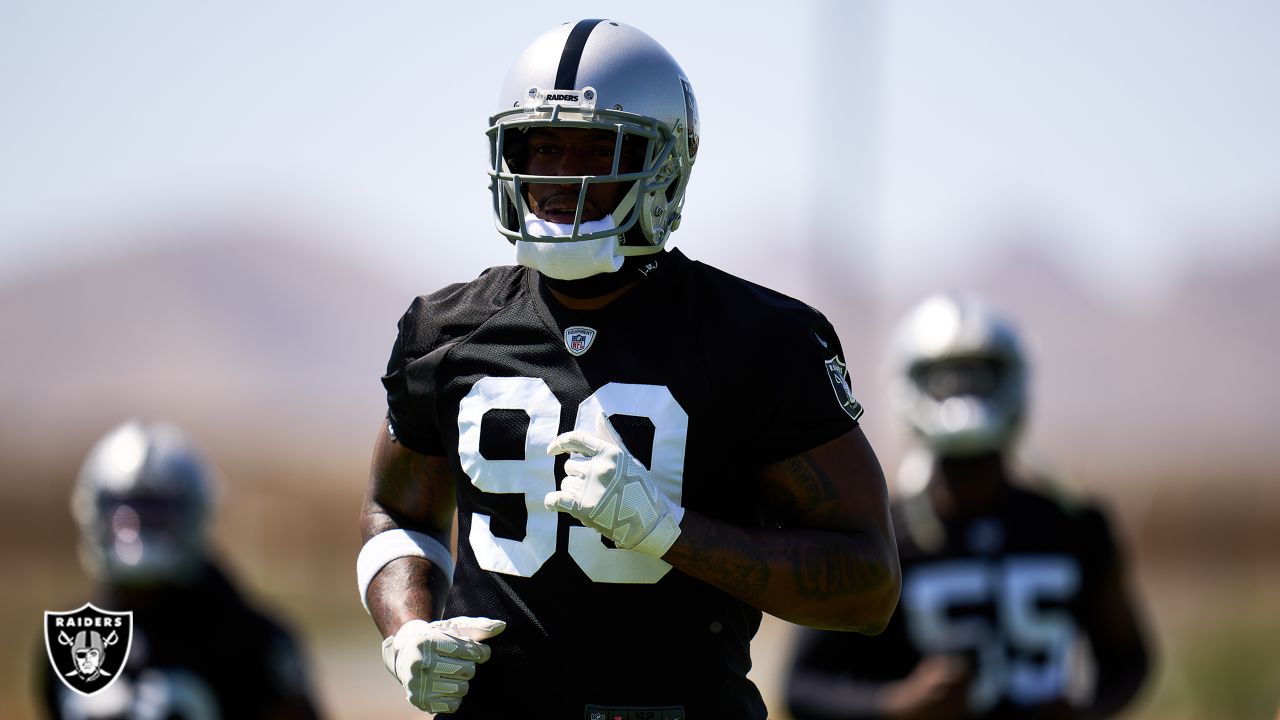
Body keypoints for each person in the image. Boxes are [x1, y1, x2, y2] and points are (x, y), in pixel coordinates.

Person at [358, 19, 901, 719]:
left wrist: (671, 531)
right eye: (540, 148)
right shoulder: (446, 331)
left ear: (664, 165)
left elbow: (868, 587)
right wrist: (409, 631)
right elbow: (394, 512)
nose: (559, 179)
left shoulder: (760, 341)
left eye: (594, 150)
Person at [785, 293, 1152, 719]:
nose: (963, 395)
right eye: (946, 379)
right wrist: (899, 706)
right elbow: (803, 686)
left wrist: (1085, 712)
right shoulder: (883, 532)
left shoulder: (1074, 525)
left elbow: (1129, 659)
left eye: (978, 377)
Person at [39, 420, 322, 720]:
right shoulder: (70, 637)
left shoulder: (250, 641)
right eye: (123, 514)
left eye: (156, 515)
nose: (136, 533)